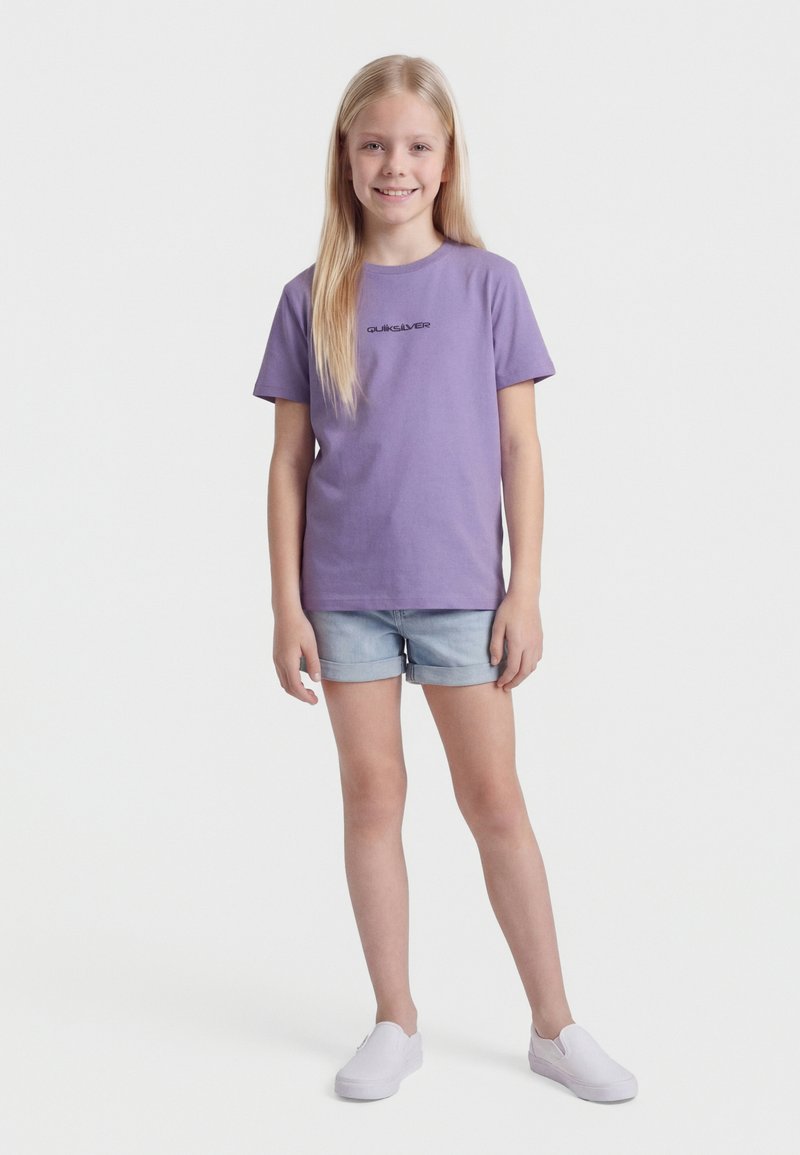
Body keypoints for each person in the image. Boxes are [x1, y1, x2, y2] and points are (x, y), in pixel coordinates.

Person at [252, 54, 638, 1105]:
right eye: (374, 144)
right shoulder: (310, 297)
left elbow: (519, 447)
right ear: (345, 156)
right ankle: (395, 1018)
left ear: (446, 158)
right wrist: (285, 605)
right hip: (343, 594)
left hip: (464, 589)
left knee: (494, 800)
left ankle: (554, 1025)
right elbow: (288, 465)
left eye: (416, 145)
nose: (396, 164)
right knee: (372, 795)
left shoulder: (487, 285)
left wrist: (525, 589)